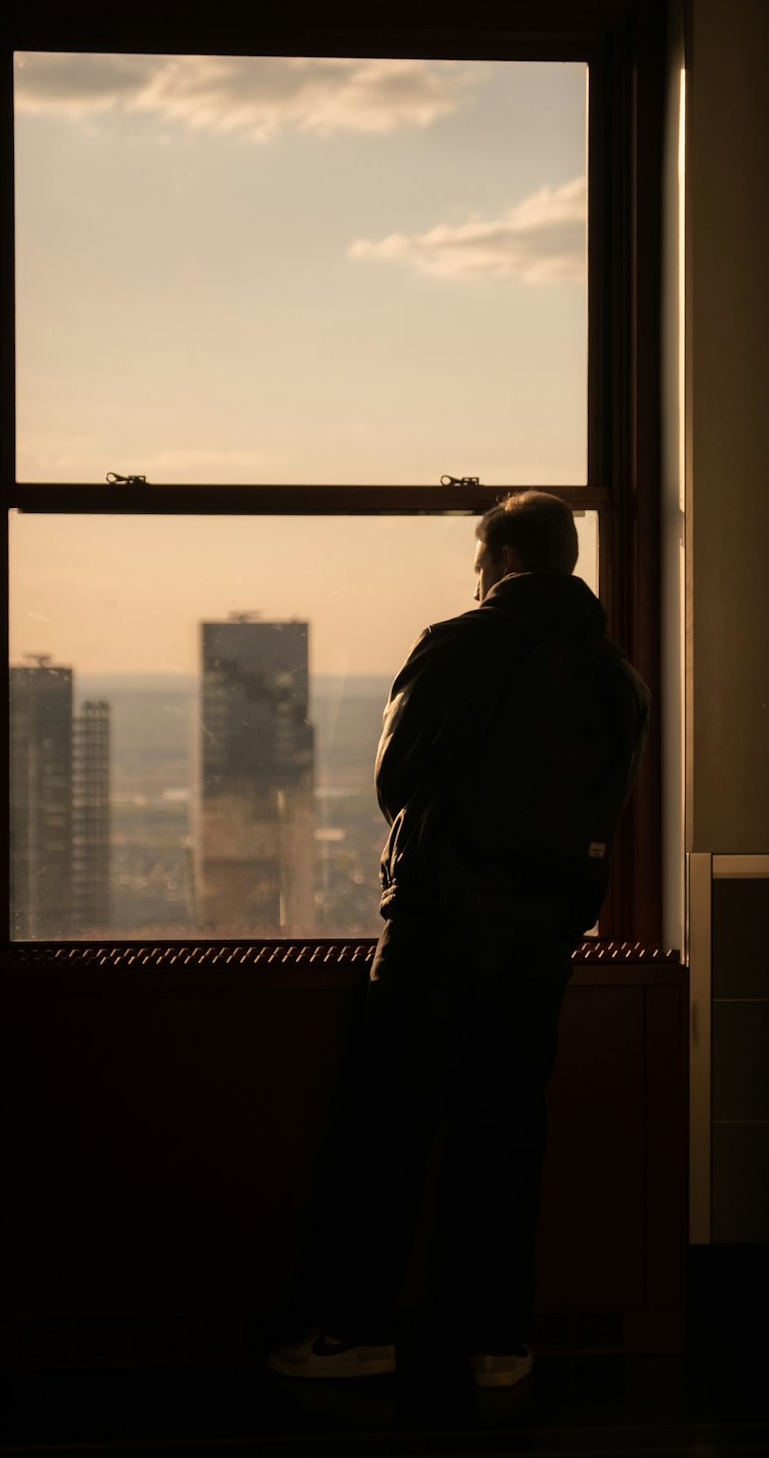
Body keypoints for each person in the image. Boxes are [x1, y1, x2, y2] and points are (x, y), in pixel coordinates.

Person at [268, 489, 649, 1389]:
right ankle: (498, 1343)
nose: (475, 576)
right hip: (546, 930)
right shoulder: (615, 673)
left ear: (506, 558)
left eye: (481, 559)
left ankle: (356, 1331)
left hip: (443, 914)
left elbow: (397, 778)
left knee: (391, 1124)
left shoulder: (463, 643)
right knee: (508, 1123)